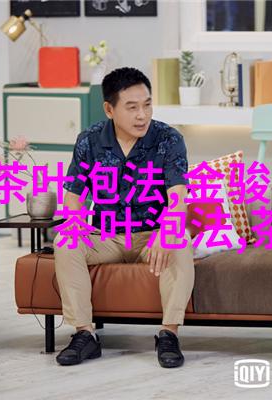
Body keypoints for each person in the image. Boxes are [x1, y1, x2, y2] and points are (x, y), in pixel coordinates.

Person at [53, 67, 194, 368]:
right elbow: (73, 197)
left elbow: (178, 196)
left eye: (147, 105)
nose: (142, 115)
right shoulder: (89, 140)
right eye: (132, 107)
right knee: (66, 240)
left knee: (179, 239)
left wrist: (166, 231)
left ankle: (169, 334)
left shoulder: (168, 138)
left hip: (151, 236)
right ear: (109, 109)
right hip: (106, 236)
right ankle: (84, 335)